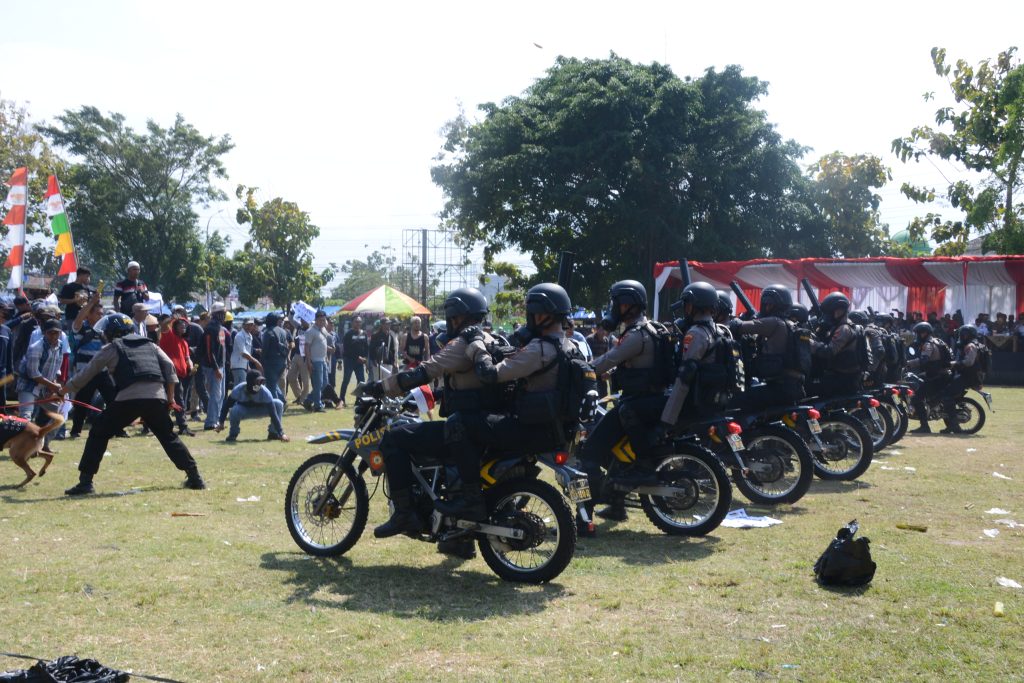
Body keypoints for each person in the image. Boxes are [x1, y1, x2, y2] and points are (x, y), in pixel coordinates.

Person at [366, 288, 497, 554]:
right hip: (485, 423)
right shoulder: (491, 339)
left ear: (457, 317)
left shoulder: (462, 343)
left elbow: (424, 371)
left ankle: (404, 513)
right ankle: (457, 537)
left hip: (464, 426)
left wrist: (383, 386)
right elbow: (468, 384)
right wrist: (437, 395)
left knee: (394, 438)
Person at [465, 283, 583, 518]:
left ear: (542, 315)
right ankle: (584, 516)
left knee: (462, 423)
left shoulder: (539, 349)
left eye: (531, 313)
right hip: (559, 428)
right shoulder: (573, 346)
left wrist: (477, 346)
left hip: (529, 428)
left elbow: (491, 374)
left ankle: (469, 497)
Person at [61, 313, 205, 495]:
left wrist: (62, 391)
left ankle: (85, 482)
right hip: (156, 397)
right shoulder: (150, 344)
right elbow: (169, 368)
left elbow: (87, 373)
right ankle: (195, 477)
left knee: (98, 432)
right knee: (168, 436)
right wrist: (170, 399)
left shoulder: (112, 347)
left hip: (128, 399)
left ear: (112, 332)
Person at [579, 280, 673, 523]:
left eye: (617, 302)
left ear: (629, 305)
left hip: (638, 403)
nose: (613, 308)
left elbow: (607, 360)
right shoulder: (654, 328)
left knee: (589, 451)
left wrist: (580, 370)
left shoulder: (636, 335)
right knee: (614, 449)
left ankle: (583, 518)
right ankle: (616, 504)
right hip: (653, 399)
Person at [728, 284, 806, 408]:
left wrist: (734, 320)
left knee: (734, 401)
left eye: (768, 304)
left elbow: (739, 327)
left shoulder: (774, 322)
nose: (766, 307)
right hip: (794, 386)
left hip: (780, 387)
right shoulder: (791, 324)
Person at [18, 319, 65, 451]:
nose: (54, 336)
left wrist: (54, 383)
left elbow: (57, 368)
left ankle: (44, 445)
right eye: (51, 333)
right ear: (44, 333)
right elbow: (33, 374)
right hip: (29, 386)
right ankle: (23, 447)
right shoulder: (36, 347)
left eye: (57, 333)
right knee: (25, 418)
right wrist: (52, 386)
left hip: (46, 387)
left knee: (58, 416)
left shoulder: (60, 346)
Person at [808, 292, 862, 398]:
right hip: (847, 378)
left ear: (840, 310)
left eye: (830, 312)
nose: (829, 315)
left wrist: (810, 343)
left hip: (843, 380)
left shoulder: (844, 329)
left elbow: (829, 351)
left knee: (807, 388)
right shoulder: (847, 326)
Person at [217, 370, 289, 442]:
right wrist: (221, 422)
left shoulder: (265, 392)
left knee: (278, 404)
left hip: (261, 410)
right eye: (257, 382)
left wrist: (281, 433)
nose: (259, 384)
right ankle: (233, 434)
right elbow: (226, 406)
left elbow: (273, 413)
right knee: (234, 410)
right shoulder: (239, 389)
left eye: (260, 382)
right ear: (250, 382)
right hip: (245, 411)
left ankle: (273, 433)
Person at [906, 321, 952, 433]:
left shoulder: (928, 345)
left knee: (917, 398)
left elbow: (924, 360)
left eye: (919, 333)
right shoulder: (938, 341)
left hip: (936, 377)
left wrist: (908, 363)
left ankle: (924, 426)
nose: (917, 336)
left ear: (924, 333)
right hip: (943, 374)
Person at [940, 324, 985, 434]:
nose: (961, 337)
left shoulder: (971, 346)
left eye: (963, 335)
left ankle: (955, 426)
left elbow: (969, 362)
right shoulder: (974, 344)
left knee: (947, 396)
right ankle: (950, 425)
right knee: (951, 396)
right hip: (970, 376)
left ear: (969, 335)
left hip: (967, 376)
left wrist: (954, 364)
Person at [160, 317, 196, 436]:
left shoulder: (184, 342)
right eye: (180, 325)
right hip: (169, 374)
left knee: (171, 400)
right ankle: (183, 426)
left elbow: (187, 358)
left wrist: (190, 366)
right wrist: (173, 318)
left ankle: (155, 425)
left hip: (180, 375)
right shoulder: (169, 336)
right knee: (178, 399)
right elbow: (164, 326)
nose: (183, 327)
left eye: (185, 325)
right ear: (174, 326)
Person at [199, 302, 229, 431]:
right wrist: (216, 368)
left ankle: (217, 419)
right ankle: (211, 422)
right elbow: (209, 350)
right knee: (215, 395)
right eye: (222, 313)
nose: (224, 316)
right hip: (212, 367)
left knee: (221, 394)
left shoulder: (220, 328)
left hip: (220, 365)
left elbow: (221, 348)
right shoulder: (211, 328)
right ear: (217, 314)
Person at [303, 310, 332, 412]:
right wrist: (309, 361)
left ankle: (308, 400)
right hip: (315, 361)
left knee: (324, 383)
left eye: (323, 320)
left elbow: (322, 343)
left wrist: (327, 354)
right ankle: (317, 405)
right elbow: (307, 347)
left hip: (323, 360)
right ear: (315, 320)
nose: (322, 322)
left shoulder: (323, 330)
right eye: (320, 320)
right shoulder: (310, 331)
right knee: (318, 384)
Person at [260, 312, 291, 402]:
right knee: (273, 384)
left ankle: (276, 405)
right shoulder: (283, 331)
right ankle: (282, 401)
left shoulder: (268, 332)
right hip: (282, 362)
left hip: (271, 363)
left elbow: (265, 349)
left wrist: (261, 362)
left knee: (271, 386)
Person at [339, 316, 368, 406]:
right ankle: (341, 399)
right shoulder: (348, 334)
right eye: (356, 322)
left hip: (360, 362)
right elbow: (346, 349)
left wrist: (365, 358)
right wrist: (357, 357)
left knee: (361, 381)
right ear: (352, 323)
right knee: (346, 380)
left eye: (359, 322)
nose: (358, 323)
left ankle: (358, 400)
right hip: (349, 361)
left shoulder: (364, 333)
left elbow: (366, 347)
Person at [229, 318, 262, 387]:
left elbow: (248, 352)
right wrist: (256, 361)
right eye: (247, 325)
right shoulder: (239, 336)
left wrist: (248, 366)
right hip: (237, 365)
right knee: (241, 387)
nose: (249, 327)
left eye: (251, 325)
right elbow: (243, 353)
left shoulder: (250, 336)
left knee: (243, 386)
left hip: (244, 365)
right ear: (243, 325)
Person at [286, 319, 311, 403]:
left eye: (304, 320)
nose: (302, 321)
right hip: (296, 355)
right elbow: (291, 318)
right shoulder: (299, 327)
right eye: (302, 320)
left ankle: (303, 399)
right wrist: (293, 309)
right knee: (290, 376)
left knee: (305, 381)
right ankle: (299, 396)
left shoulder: (311, 331)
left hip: (305, 356)